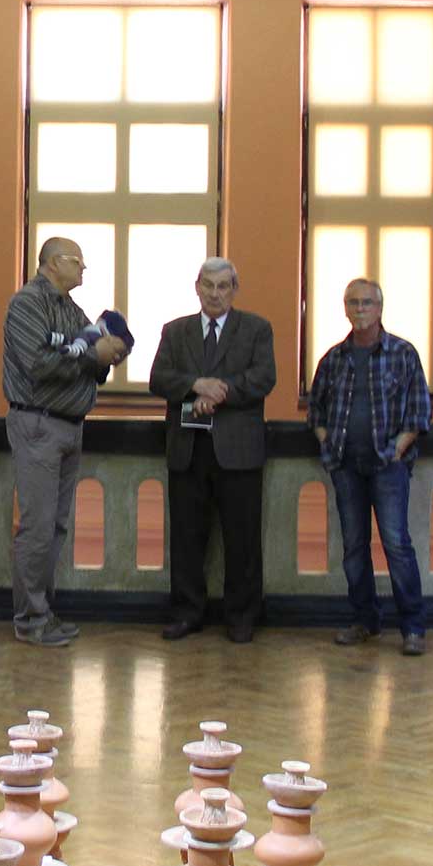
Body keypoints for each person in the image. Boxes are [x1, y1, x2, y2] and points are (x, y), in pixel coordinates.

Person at [0, 237, 127, 649]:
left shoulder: (73, 311)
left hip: (70, 426)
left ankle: (43, 612)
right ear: (54, 263)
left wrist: (111, 352)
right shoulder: (27, 303)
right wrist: (92, 355)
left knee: (55, 527)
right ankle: (30, 619)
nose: (83, 268)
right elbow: (39, 364)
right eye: (78, 261)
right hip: (38, 423)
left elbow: (89, 357)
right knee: (37, 527)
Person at [304, 277, 433, 656]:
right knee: (354, 547)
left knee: (396, 544)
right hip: (345, 466)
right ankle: (365, 619)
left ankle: (413, 627)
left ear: (380, 309)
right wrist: (328, 441)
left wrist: (396, 450)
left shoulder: (403, 354)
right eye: (353, 303)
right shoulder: (333, 359)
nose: (360, 309)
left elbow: (418, 413)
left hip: (388, 467)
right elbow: (315, 410)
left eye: (366, 303)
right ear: (345, 309)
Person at [151, 258, 277, 643]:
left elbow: (263, 377)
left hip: (238, 451)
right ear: (197, 287)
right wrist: (196, 385)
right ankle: (187, 612)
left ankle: (241, 616)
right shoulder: (175, 331)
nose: (215, 293)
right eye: (209, 285)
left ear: (234, 290)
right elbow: (159, 379)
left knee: (242, 539)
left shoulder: (256, 329)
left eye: (223, 286)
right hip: (188, 450)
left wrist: (220, 392)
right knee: (187, 538)